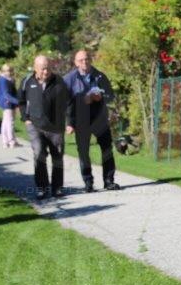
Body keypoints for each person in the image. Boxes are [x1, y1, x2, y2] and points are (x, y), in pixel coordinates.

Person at [63, 49, 120, 191]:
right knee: (83, 151)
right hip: (81, 120)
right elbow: (65, 102)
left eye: (87, 59)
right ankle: (88, 182)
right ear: (76, 63)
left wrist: (100, 97)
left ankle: (109, 181)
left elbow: (110, 95)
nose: (85, 62)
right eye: (81, 60)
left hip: (99, 118)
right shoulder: (69, 79)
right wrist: (69, 122)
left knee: (107, 149)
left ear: (90, 60)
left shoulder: (100, 76)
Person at [18, 55, 71, 200]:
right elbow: (21, 100)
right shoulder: (27, 81)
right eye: (42, 69)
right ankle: (42, 188)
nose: (46, 72)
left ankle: (57, 188)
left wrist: (69, 122)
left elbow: (68, 102)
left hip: (56, 126)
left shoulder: (59, 81)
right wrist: (25, 118)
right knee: (39, 153)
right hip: (35, 125)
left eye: (48, 68)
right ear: (35, 68)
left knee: (57, 156)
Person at [0, 64, 20, 147]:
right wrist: (17, 102)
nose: (8, 72)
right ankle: (11, 141)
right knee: (10, 122)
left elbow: (14, 91)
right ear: (2, 71)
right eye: (6, 71)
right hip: (7, 102)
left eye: (10, 71)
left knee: (6, 122)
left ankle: (5, 142)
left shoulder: (9, 79)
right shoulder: (3, 79)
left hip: (9, 102)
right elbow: (6, 94)